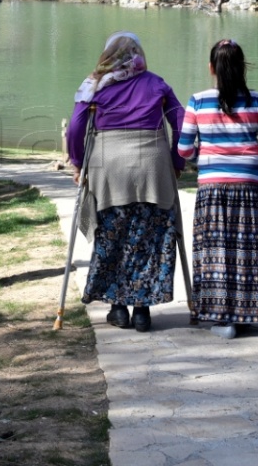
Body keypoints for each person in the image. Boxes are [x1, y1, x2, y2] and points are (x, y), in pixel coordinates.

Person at [66, 32, 185, 333]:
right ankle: (142, 310)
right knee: (150, 236)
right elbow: (181, 121)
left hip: (109, 168)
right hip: (153, 168)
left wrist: (78, 162)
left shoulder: (94, 84)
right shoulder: (157, 83)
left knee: (113, 235)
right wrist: (177, 161)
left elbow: (77, 127)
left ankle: (118, 308)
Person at [176, 39, 258, 338]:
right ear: (242, 67)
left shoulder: (197, 101)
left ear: (212, 68)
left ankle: (222, 319)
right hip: (247, 188)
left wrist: (203, 159)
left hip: (212, 188)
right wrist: (249, 154)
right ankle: (246, 313)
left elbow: (183, 149)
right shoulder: (256, 100)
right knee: (246, 250)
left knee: (215, 250)